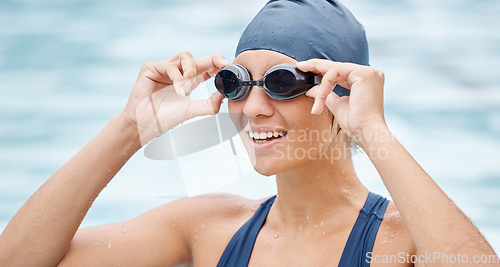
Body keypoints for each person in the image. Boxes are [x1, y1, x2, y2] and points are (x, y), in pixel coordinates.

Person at [0, 0, 498, 266]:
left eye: (283, 84)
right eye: (236, 85)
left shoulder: (403, 241)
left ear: (339, 92)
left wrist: (372, 132)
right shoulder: (208, 228)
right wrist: (130, 128)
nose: (254, 108)